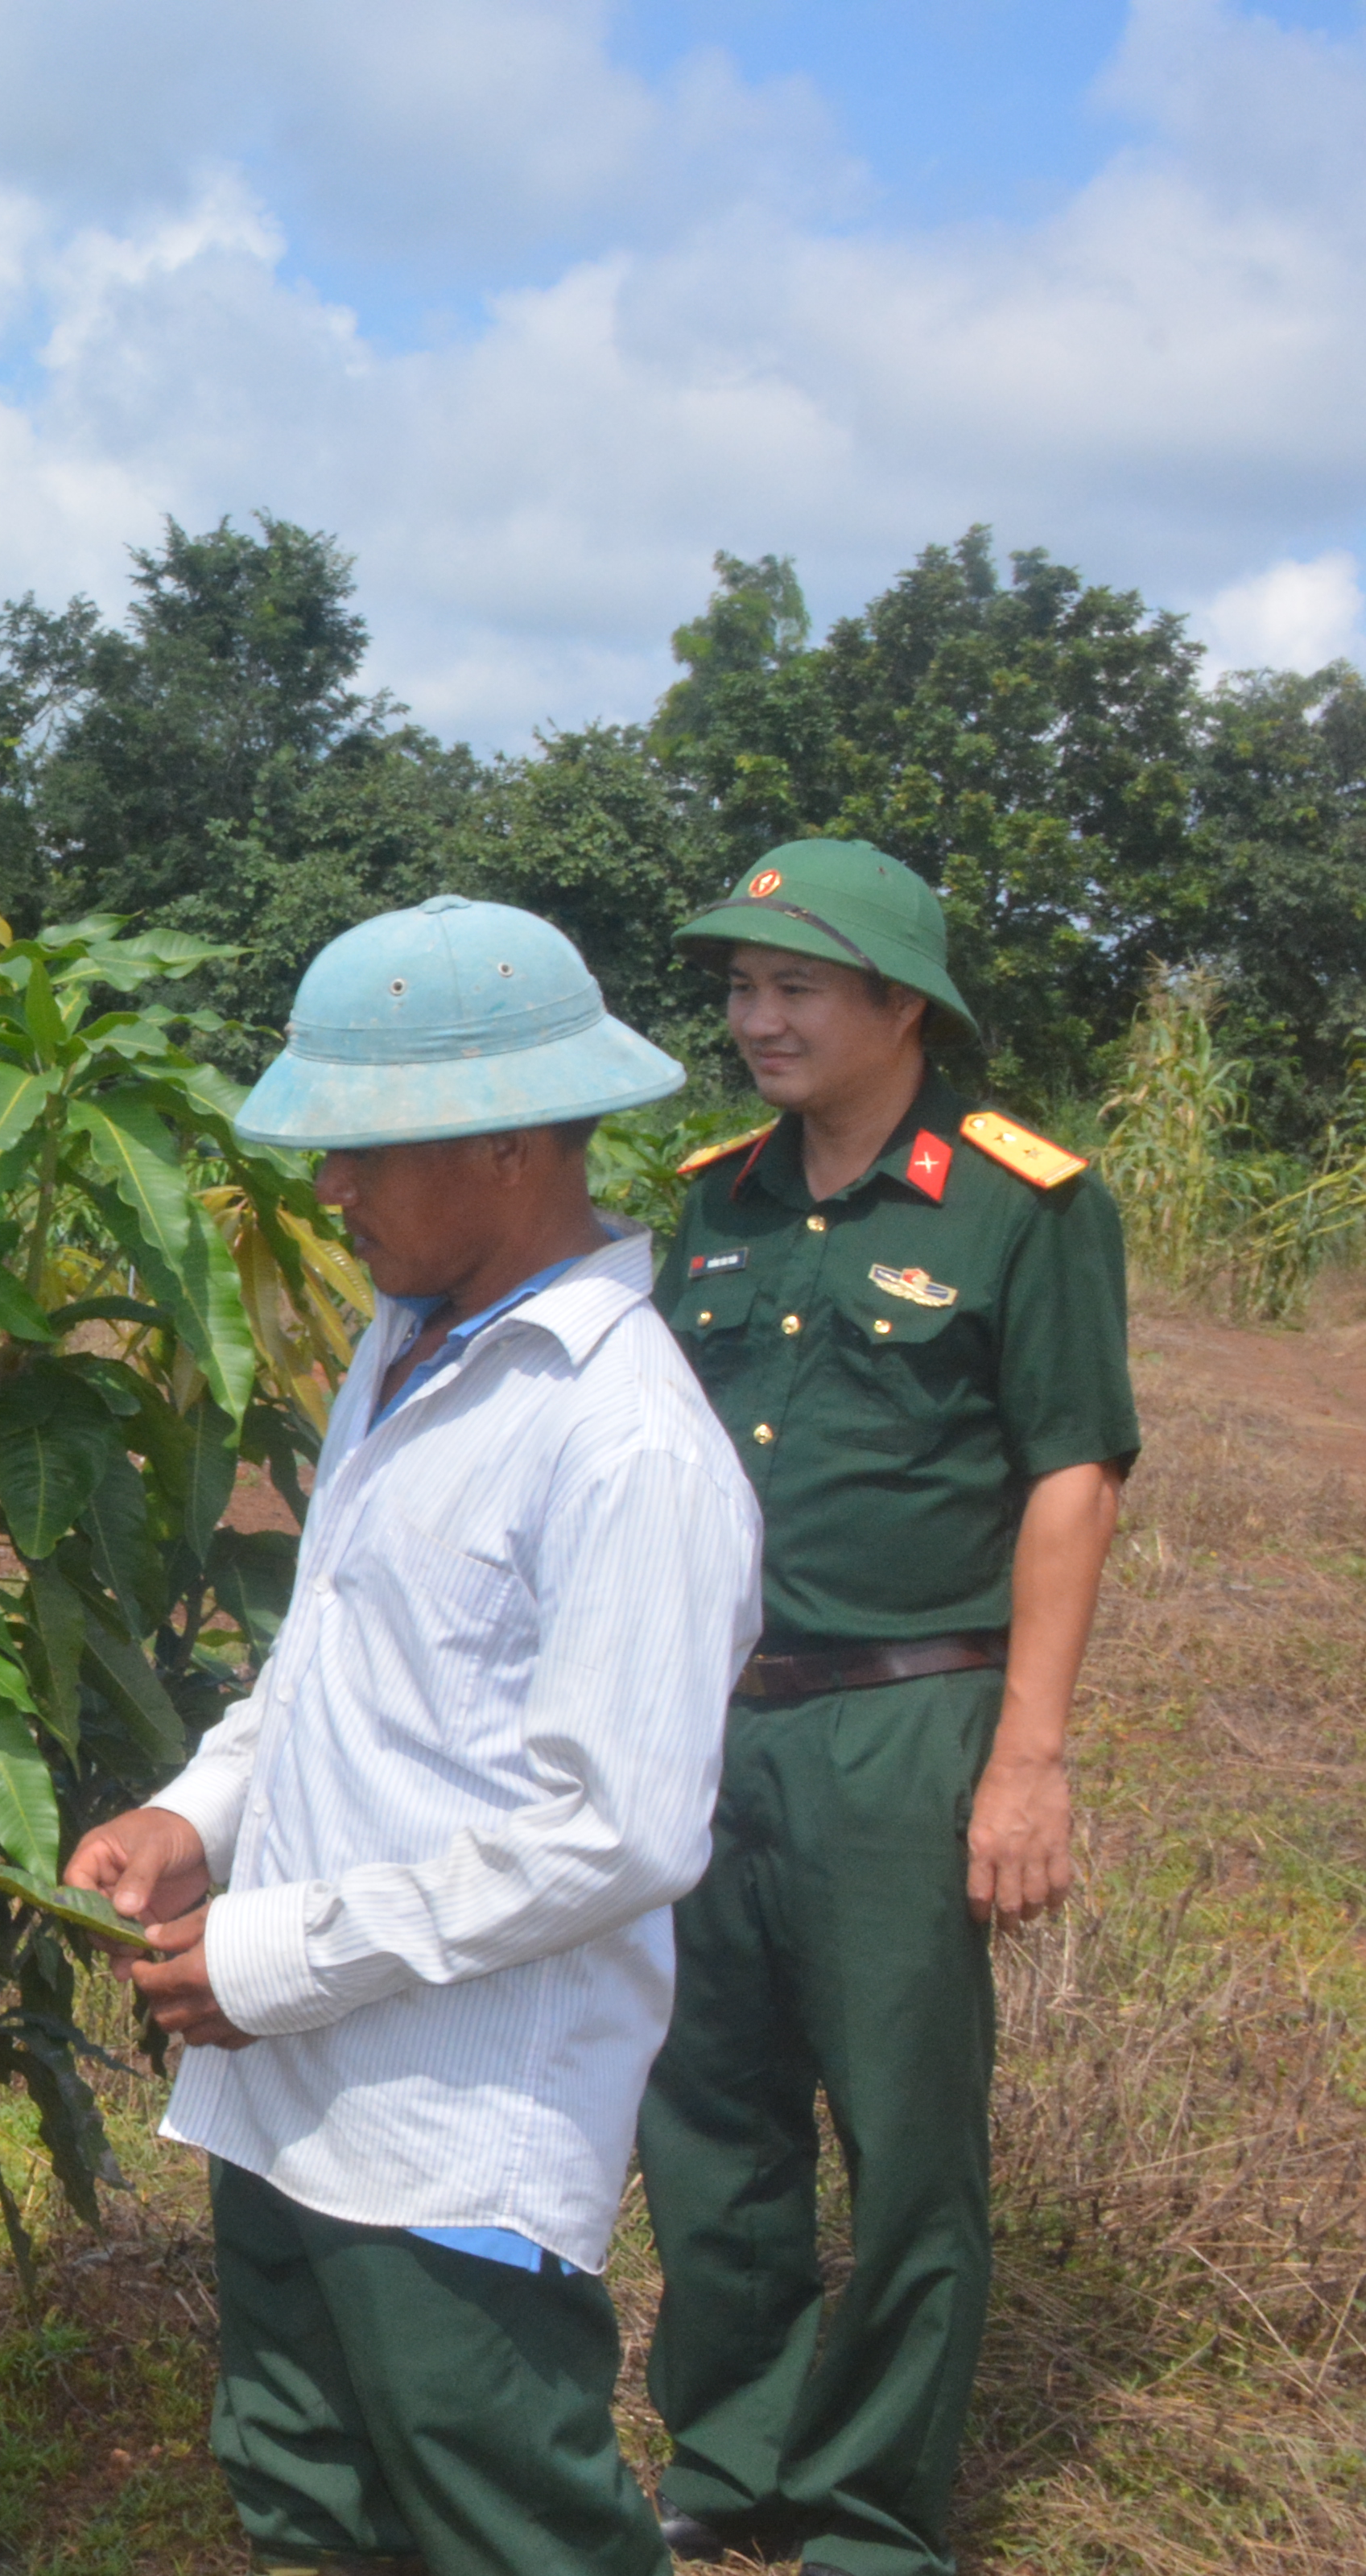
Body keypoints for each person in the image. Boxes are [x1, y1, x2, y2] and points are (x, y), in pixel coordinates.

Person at [65, 895, 761, 2576]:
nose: (332, 1189)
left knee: (506, 2518)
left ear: (512, 1144)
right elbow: (326, 1654)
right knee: (303, 2494)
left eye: (367, 1150)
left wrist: (280, 1953)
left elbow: (617, 1831)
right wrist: (197, 1812)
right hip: (291, 2078)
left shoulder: (627, 1445)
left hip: (456, 2121)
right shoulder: (410, 1344)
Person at [638, 841, 1136, 2574]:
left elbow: (1074, 1476)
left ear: (898, 1005)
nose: (754, 1017)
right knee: (709, 2108)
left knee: (907, 2130)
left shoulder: (1023, 1203)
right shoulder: (713, 1197)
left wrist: (1029, 1757)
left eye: (795, 986)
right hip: (714, 1725)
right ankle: (736, 2445)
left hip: (906, 1720)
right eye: (739, 985)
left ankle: (866, 2507)